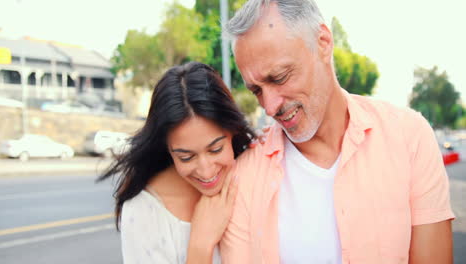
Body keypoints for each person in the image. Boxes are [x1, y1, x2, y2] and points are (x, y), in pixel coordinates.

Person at [220, 0, 455, 263]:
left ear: (323, 42)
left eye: (280, 77)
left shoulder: (408, 136)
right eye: (256, 90)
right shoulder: (243, 175)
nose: (270, 107)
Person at [98, 62, 255, 264]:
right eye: (186, 157)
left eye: (216, 149)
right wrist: (200, 245)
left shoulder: (255, 171)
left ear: (233, 131)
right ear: (167, 147)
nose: (206, 171)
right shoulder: (145, 211)